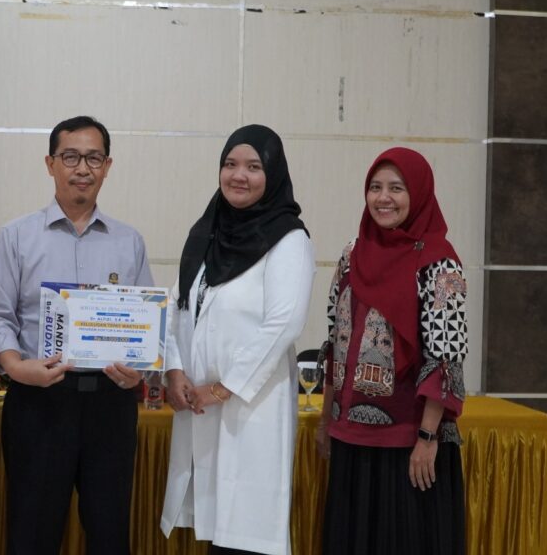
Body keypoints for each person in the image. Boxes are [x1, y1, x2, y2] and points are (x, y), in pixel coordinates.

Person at [0, 115, 154, 555]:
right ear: (50, 163)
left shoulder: (129, 241)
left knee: (110, 533)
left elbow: (146, 323)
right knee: (32, 534)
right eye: (71, 157)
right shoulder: (16, 237)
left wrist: (140, 370)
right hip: (39, 402)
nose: (82, 168)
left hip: (110, 404)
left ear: (107, 166)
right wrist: (16, 366)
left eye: (94, 158)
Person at [160, 125, 315, 555]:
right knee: (215, 527)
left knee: (247, 531)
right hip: (198, 404)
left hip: (250, 407)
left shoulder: (289, 239)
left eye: (253, 166)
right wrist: (174, 370)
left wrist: (222, 388)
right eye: (230, 164)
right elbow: (174, 306)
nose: (238, 175)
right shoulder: (206, 233)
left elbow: (284, 324)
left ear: (273, 175)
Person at [316, 147, 467, 555]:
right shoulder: (351, 255)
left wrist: (427, 437)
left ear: (418, 194)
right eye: (375, 187)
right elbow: (336, 342)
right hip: (351, 437)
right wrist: (326, 420)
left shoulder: (441, 266)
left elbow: (446, 357)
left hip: (410, 443)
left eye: (397, 188)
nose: (383, 198)